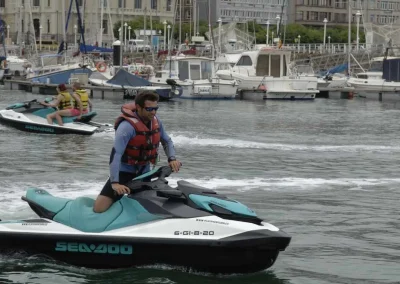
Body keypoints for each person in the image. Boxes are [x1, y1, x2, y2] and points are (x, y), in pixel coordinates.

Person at [93, 91, 181, 213]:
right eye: (149, 109)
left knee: (144, 210)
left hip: (144, 173)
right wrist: (115, 183)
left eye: (156, 108)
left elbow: (167, 141)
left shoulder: (156, 121)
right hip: (124, 173)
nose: (153, 112)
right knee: (99, 209)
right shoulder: (126, 127)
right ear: (139, 107)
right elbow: (116, 155)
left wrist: (172, 158)